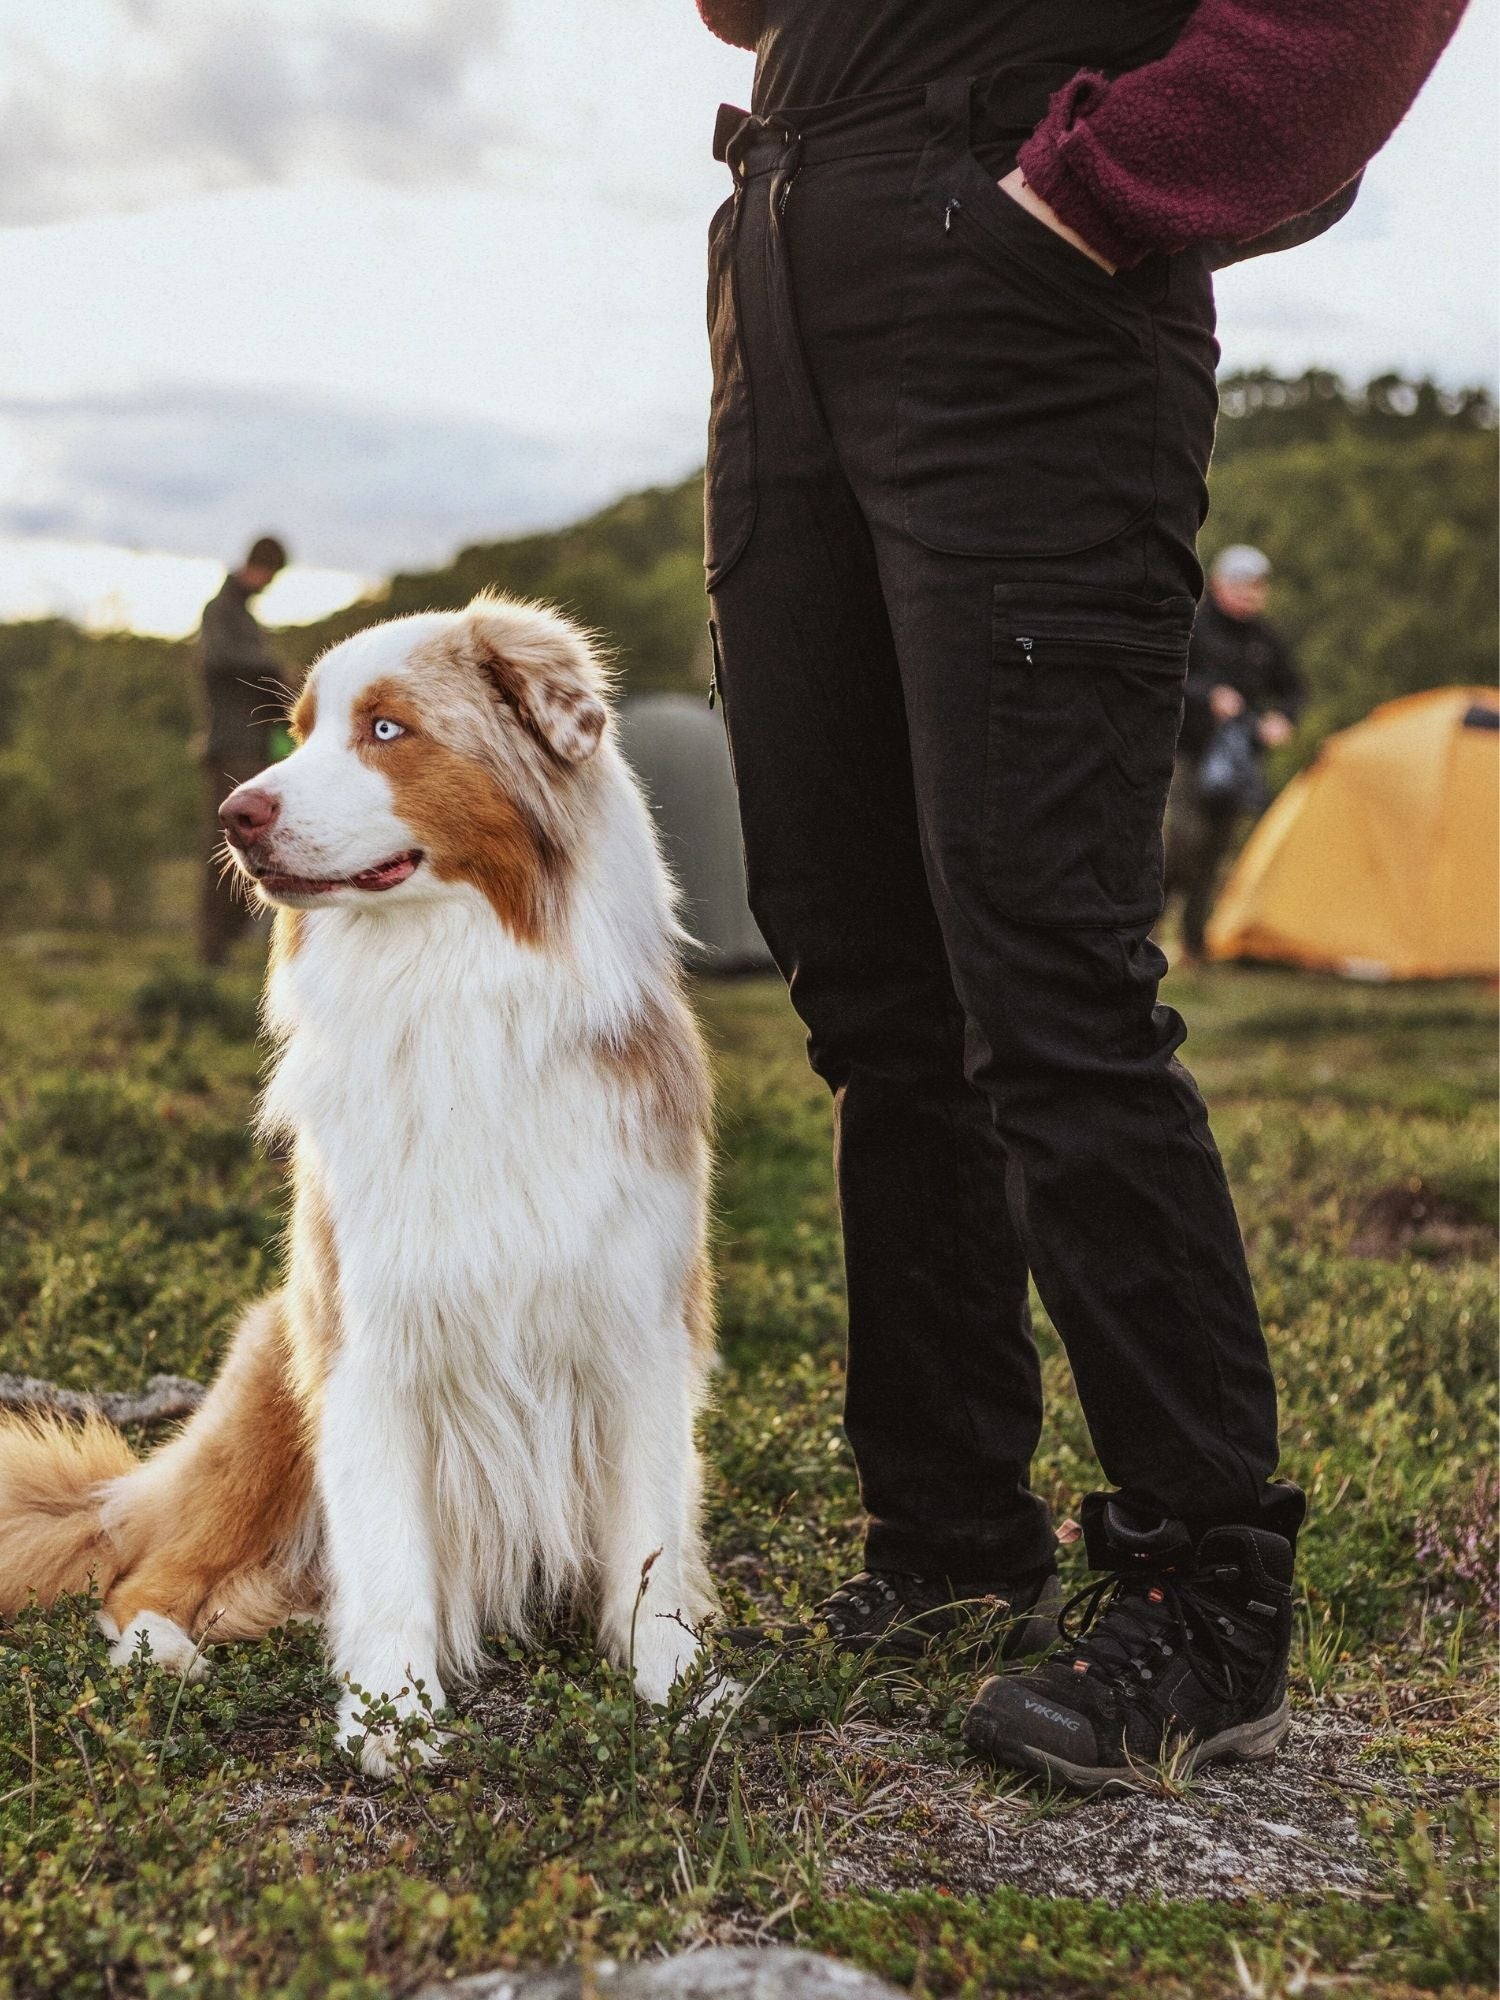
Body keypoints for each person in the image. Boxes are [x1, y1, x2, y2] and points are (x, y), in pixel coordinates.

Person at [693, 0, 1463, 1790]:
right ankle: (952, 1548)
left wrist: (1098, 192)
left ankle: (1207, 1591)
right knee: (868, 982)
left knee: (1045, 973)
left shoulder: (1070, 213)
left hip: (1025, 290)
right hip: (790, 252)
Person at [1164, 545, 1304, 965]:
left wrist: (1282, 718)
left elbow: (1294, 689)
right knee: (1181, 843)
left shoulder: (1266, 639)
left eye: (1257, 586)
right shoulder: (1195, 628)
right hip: (1190, 752)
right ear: (1220, 584)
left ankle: (1195, 943)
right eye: (1241, 584)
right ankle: (1148, 933)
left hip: (1239, 760)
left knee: (1215, 850)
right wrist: (1210, 696)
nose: (1249, 593)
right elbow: (1173, 677)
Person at [196, 535, 288, 967]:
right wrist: (273, 671)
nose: (269, 584)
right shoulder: (221, 611)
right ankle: (212, 955)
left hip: (253, 747)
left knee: (254, 847)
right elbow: (220, 661)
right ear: (259, 566)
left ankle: (230, 948)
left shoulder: (243, 615)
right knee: (224, 852)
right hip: (231, 748)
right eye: (270, 574)